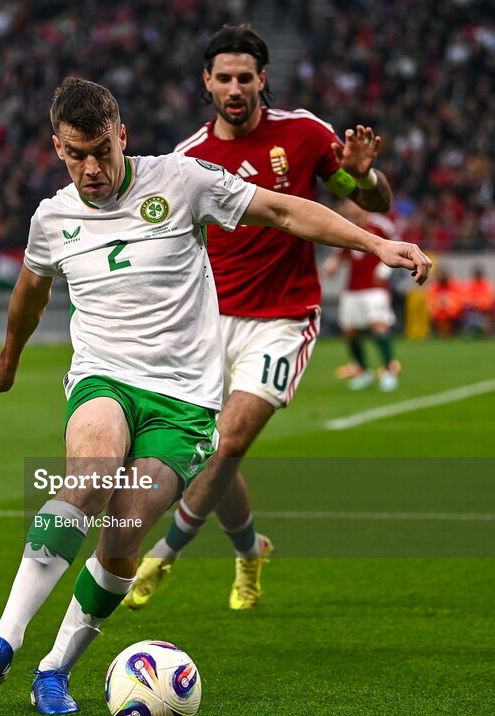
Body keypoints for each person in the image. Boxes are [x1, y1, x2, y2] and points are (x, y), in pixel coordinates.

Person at [0, 77, 430, 715]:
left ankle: (55, 668)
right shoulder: (52, 217)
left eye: (102, 151)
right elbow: (30, 294)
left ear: (122, 136)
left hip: (184, 400)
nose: (91, 170)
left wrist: (376, 242)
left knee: (121, 536)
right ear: (57, 148)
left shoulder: (181, 179)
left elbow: (284, 211)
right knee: (88, 479)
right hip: (103, 377)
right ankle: (2, 639)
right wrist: (9, 361)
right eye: (76, 155)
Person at [125, 24, 396, 613]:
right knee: (211, 452)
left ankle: (163, 555)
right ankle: (251, 550)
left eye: (244, 77)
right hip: (207, 323)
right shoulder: (187, 159)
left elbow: (373, 202)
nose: (235, 88)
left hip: (282, 318)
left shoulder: (303, 134)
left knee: (228, 441)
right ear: (207, 81)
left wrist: (363, 175)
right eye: (224, 78)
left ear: (261, 80)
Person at [323, 204, 401, 391]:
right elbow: (341, 253)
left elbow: (397, 245)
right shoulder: (347, 226)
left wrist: (384, 270)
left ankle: (388, 372)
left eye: (352, 202)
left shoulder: (381, 225)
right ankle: (364, 371)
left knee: (379, 326)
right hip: (352, 288)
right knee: (350, 331)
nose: (350, 205)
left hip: (374, 287)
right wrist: (333, 264)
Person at [464, 265, 495, 337]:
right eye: (476, 274)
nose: (477, 275)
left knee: (489, 315)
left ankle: (487, 334)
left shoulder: (487, 284)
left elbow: (489, 300)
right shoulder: (470, 285)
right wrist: (474, 304)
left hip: (485, 311)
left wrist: (477, 304)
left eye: (478, 274)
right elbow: (466, 299)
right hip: (472, 311)